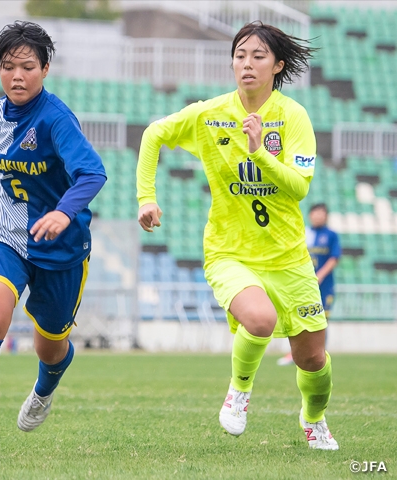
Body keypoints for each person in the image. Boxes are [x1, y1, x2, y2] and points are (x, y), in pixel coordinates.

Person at [136, 21, 338, 450]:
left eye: (258, 56)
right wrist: (146, 198)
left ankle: (314, 418)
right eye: (240, 55)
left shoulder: (293, 116)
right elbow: (154, 133)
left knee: (312, 359)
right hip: (229, 252)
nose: (247, 64)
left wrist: (259, 151)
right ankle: (239, 391)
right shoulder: (211, 114)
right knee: (260, 320)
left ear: (277, 65)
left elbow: (300, 187)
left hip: (289, 258)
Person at [0, 21, 107, 458]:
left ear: (45, 69)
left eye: (27, 66)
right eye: (8, 67)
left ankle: (46, 386)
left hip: (62, 247)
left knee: (49, 346)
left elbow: (93, 173)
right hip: (5, 233)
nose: (17, 76)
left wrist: (63, 213)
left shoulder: (56, 119)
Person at [278, 203, 340, 366]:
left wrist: (319, 275)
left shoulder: (331, 235)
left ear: (326, 216)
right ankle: (295, 353)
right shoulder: (303, 232)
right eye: (315, 212)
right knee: (298, 317)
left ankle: (320, 355)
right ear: (310, 215)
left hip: (324, 286)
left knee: (322, 320)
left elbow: (334, 258)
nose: (318, 216)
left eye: (322, 213)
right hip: (302, 284)